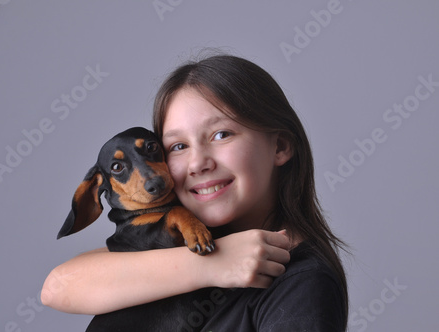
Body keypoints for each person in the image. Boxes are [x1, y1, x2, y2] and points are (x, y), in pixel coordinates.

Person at [42, 53, 348, 331]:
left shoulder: (303, 284)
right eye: (178, 146)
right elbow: (57, 287)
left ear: (279, 146)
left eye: (221, 134)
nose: (198, 163)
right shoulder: (184, 244)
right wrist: (214, 263)